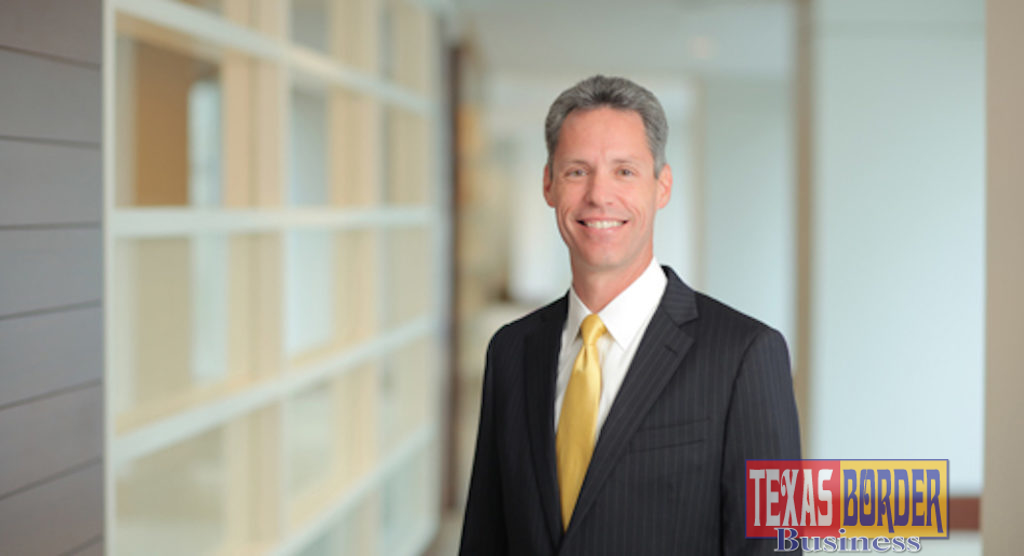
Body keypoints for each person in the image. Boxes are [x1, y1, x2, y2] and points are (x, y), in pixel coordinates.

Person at [458, 75, 802, 555]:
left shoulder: (748, 354)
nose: (599, 195)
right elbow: (485, 537)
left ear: (662, 186)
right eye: (577, 171)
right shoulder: (511, 351)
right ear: (549, 184)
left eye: (624, 171)